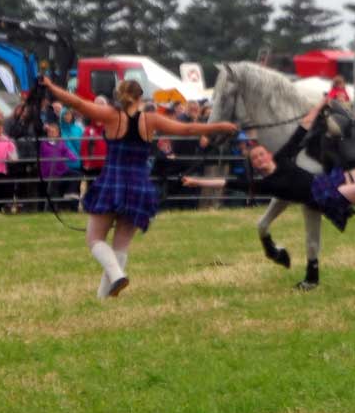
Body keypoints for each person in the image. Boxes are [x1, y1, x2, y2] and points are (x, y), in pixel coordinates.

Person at [41, 76, 238, 299]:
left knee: (94, 239)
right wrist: (219, 126)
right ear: (140, 97)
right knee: (121, 244)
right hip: (138, 184)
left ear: (119, 96)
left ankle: (116, 276)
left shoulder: (111, 115)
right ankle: (104, 297)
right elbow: (188, 128)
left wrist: (50, 86)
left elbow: (77, 103)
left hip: (113, 182)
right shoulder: (150, 120)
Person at [183, 94, 355, 230]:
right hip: (325, 199)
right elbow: (225, 182)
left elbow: (302, 127)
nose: (262, 157)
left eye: (262, 153)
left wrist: (321, 103)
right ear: (256, 165)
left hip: (329, 183)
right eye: (257, 158)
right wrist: (195, 181)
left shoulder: (284, 157)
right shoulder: (267, 184)